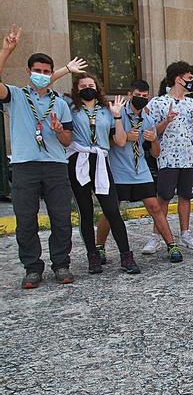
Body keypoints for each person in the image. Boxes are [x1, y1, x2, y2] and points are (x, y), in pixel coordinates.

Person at [0, 26, 86, 287]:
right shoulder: (15, 96)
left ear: (51, 75)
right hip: (25, 165)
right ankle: (32, 267)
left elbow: (68, 140)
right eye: (37, 71)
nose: (42, 75)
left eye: (47, 72)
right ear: (29, 72)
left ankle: (61, 264)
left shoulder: (59, 102)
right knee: (26, 220)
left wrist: (59, 130)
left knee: (61, 218)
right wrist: (7, 50)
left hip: (55, 166)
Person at [97, 80, 182, 263]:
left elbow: (156, 153)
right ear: (129, 94)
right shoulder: (115, 114)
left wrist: (153, 140)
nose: (141, 99)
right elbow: (106, 141)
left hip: (140, 169)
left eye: (145, 96)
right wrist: (126, 137)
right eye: (138, 95)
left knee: (154, 207)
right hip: (119, 169)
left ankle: (171, 245)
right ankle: (99, 247)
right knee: (111, 210)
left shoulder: (148, 118)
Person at [65, 73, 140, 275]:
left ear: (97, 88)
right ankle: (93, 255)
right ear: (76, 88)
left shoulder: (107, 110)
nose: (87, 88)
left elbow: (122, 141)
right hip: (79, 161)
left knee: (112, 210)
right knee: (86, 211)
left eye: (91, 84)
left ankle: (126, 256)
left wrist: (117, 116)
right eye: (83, 85)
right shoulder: (70, 107)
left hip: (101, 161)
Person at [149, 60, 193, 250]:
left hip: (189, 156)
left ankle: (185, 233)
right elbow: (152, 131)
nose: (191, 82)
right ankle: (156, 236)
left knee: (186, 196)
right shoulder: (158, 102)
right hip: (167, 156)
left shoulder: (191, 103)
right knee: (164, 196)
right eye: (189, 78)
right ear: (178, 78)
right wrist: (167, 120)